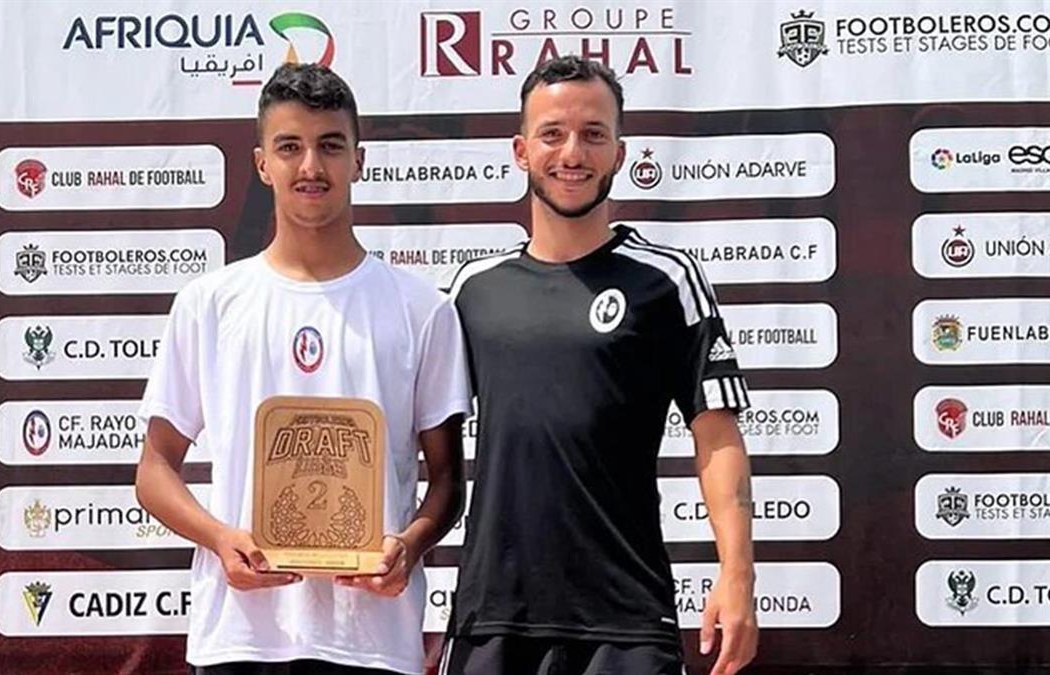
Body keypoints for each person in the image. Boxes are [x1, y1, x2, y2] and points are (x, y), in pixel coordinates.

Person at [136, 63, 471, 675]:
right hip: (241, 637)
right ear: (263, 164)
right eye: (290, 147)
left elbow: (448, 481)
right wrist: (219, 538)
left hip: (373, 641)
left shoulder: (423, 309)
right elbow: (154, 470)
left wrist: (410, 545)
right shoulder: (209, 304)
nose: (311, 167)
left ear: (359, 160)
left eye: (330, 146)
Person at [443, 56, 759, 675]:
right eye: (552, 133)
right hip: (495, 618)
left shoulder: (666, 280)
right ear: (520, 150)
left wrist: (737, 574)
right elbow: (425, 445)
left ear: (619, 151)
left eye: (593, 134)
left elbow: (717, 435)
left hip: (626, 621)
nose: (572, 153)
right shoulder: (472, 290)